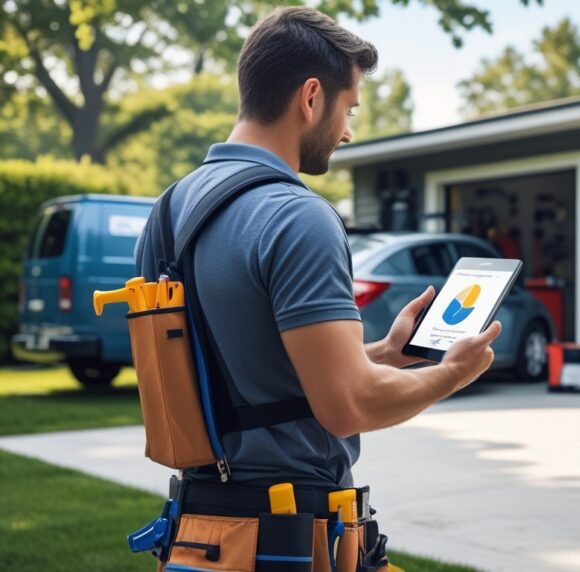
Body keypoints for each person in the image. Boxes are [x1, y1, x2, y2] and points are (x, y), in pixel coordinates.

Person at [134, 6, 501, 567]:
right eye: (348, 106)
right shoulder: (296, 216)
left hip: (198, 534)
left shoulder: (167, 213)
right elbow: (347, 405)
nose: (348, 129)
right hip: (285, 538)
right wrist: (451, 372)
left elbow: (237, 370)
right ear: (310, 98)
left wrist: (383, 355)